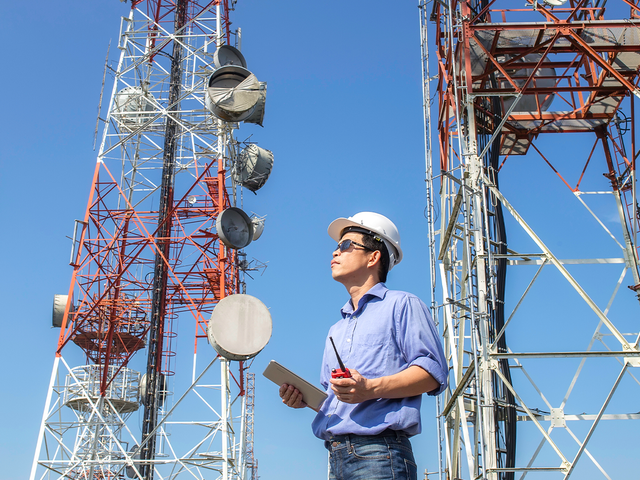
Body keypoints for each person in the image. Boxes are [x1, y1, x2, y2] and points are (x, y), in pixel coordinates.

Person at [279, 212, 448, 480]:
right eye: (336, 246)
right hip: (336, 456)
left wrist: (369, 388)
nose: (335, 253)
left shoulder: (402, 305)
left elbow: (432, 374)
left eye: (346, 245)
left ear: (373, 257)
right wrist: (303, 400)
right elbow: (336, 399)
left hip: (379, 454)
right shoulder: (336, 329)